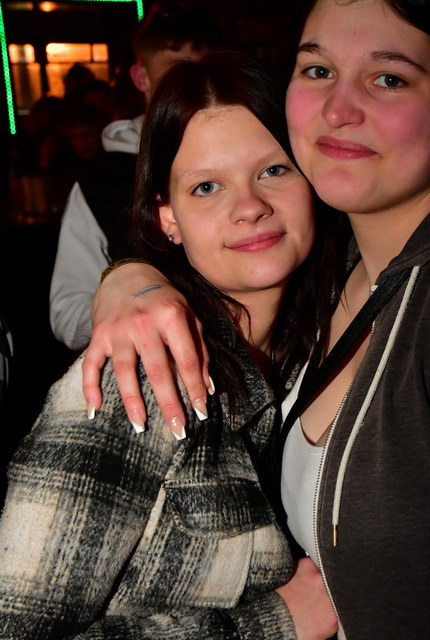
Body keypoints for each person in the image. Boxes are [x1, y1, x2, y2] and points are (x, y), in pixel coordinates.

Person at [83, 0, 430, 638]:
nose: (338, 109)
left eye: (388, 78)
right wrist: (131, 278)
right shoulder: (329, 275)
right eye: (318, 70)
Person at [0, 52, 341, 640]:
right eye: (206, 187)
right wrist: (274, 624)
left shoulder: (322, 345)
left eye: (274, 170)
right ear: (167, 218)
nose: (250, 206)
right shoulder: (135, 378)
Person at [49, 2, 223, 351]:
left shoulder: (247, 156)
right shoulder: (101, 182)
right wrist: (124, 302)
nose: (196, 86)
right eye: (177, 73)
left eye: (209, 70)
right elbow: (67, 315)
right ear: (141, 78)